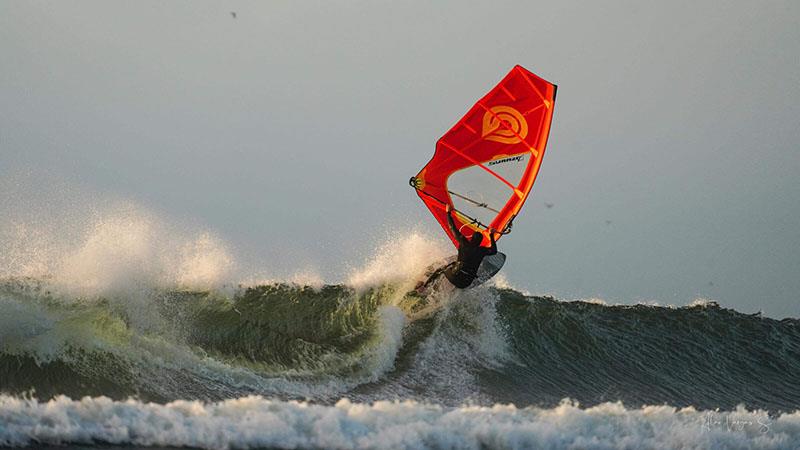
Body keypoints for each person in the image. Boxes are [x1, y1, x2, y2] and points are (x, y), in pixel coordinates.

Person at [442, 204, 497, 288]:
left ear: (471, 238)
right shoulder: (481, 250)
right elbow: (494, 251)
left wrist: (448, 213)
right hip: (466, 283)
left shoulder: (464, 243)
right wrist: (491, 235)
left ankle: (425, 286)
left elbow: (452, 228)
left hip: (454, 276)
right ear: (480, 242)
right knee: (462, 277)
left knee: (442, 269)